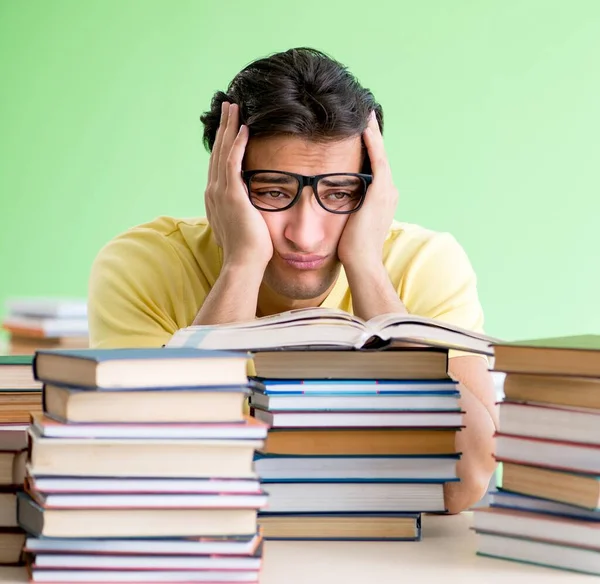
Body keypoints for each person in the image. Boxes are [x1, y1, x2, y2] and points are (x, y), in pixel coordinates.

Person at [88, 47, 498, 514]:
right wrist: (241, 263)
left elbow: (463, 482)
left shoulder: (424, 263)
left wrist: (367, 267)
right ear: (226, 186)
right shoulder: (142, 265)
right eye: (272, 192)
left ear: (374, 194)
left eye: (340, 193)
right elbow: (158, 472)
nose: (305, 235)